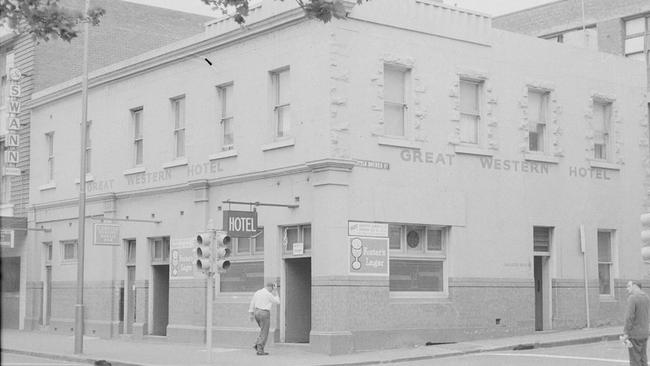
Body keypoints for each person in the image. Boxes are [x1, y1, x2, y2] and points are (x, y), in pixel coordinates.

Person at [623, 281, 650, 366]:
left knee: (635, 360)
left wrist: (626, 333)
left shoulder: (632, 298)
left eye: (628, 286)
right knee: (643, 358)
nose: (627, 289)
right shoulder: (646, 297)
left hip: (634, 334)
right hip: (644, 333)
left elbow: (629, 317)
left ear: (635, 286)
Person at [249, 281, 280, 355]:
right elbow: (277, 302)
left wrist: (251, 313)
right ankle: (260, 349)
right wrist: (276, 292)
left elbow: (252, 302)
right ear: (270, 287)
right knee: (264, 332)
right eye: (272, 289)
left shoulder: (257, 292)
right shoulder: (268, 294)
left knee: (263, 330)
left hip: (257, 313)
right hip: (264, 313)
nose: (272, 290)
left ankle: (257, 344)